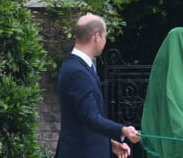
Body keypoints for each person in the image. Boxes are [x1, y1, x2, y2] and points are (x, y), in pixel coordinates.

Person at [57, 13, 141, 158]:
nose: (105, 40)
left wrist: (109, 143)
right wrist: (123, 130)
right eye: (105, 35)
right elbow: (92, 117)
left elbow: (83, 121)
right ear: (97, 37)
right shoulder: (77, 72)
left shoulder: (81, 67)